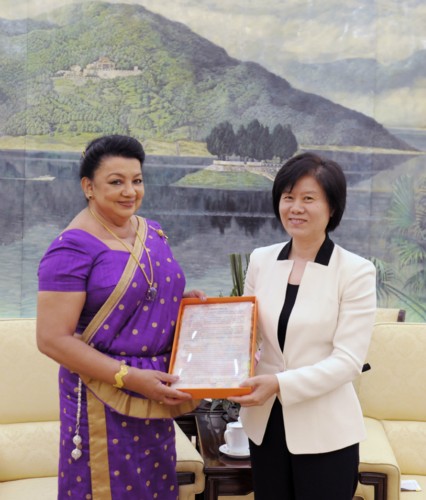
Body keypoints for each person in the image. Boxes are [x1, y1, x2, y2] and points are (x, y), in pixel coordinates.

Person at [36, 134, 206, 499]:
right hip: (102, 398)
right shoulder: (72, 248)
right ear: (88, 186)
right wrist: (129, 377)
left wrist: (182, 305)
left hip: (153, 393)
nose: (130, 191)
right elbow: (52, 339)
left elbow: (145, 304)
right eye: (116, 182)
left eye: (137, 180)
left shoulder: (151, 232)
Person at [230, 152, 376, 499]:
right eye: (288, 197)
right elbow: (245, 337)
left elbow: (347, 362)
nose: (295, 208)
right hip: (264, 426)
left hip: (325, 430)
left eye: (308, 199)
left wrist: (278, 384)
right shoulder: (261, 260)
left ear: (332, 207)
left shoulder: (355, 272)